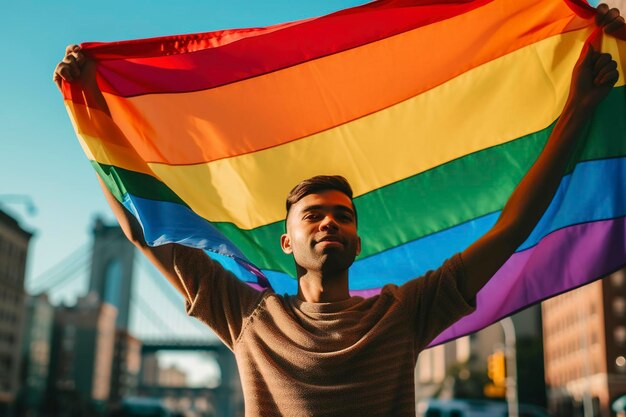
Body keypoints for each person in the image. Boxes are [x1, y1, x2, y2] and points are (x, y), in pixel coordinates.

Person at [54, 4, 625, 417]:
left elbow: (513, 227)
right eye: (313, 216)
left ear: (358, 241)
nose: (330, 222)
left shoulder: (404, 314)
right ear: (287, 242)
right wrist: (92, 118)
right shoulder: (248, 318)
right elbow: (143, 229)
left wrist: (580, 106)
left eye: (343, 216)